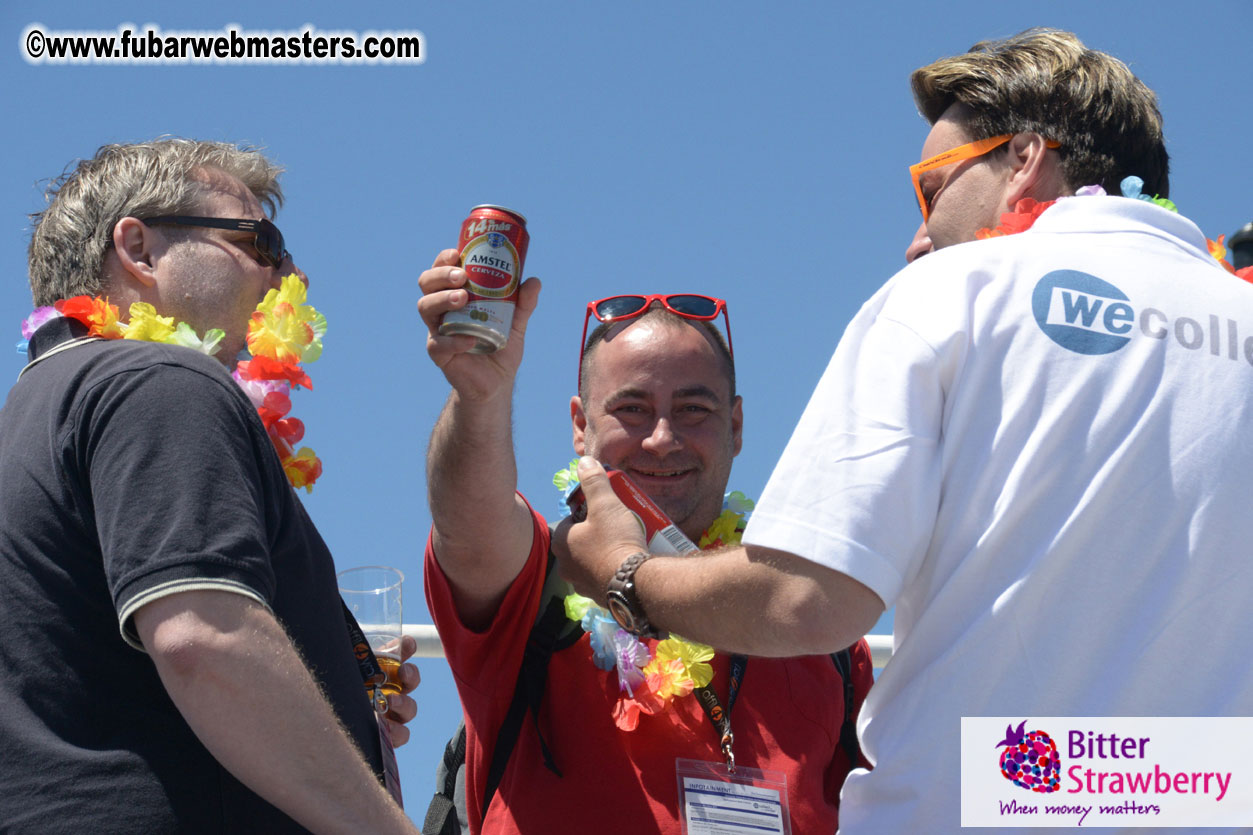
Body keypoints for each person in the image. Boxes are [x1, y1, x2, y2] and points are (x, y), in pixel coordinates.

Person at [554, 28, 1253, 833]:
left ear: (1024, 158)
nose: (918, 233)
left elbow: (806, 600)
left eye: (932, 188)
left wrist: (625, 573)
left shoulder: (952, 291)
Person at [0, 139, 421, 834]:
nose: (290, 273)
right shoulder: (159, 380)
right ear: (138, 248)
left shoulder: (39, 405)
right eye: (261, 241)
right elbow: (206, 642)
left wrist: (335, 695)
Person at [418, 261, 874, 834]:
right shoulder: (542, 575)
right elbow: (470, 525)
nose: (662, 438)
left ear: (735, 426)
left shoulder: (818, 625)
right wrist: (479, 397)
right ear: (580, 426)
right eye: (632, 409)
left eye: (693, 409)